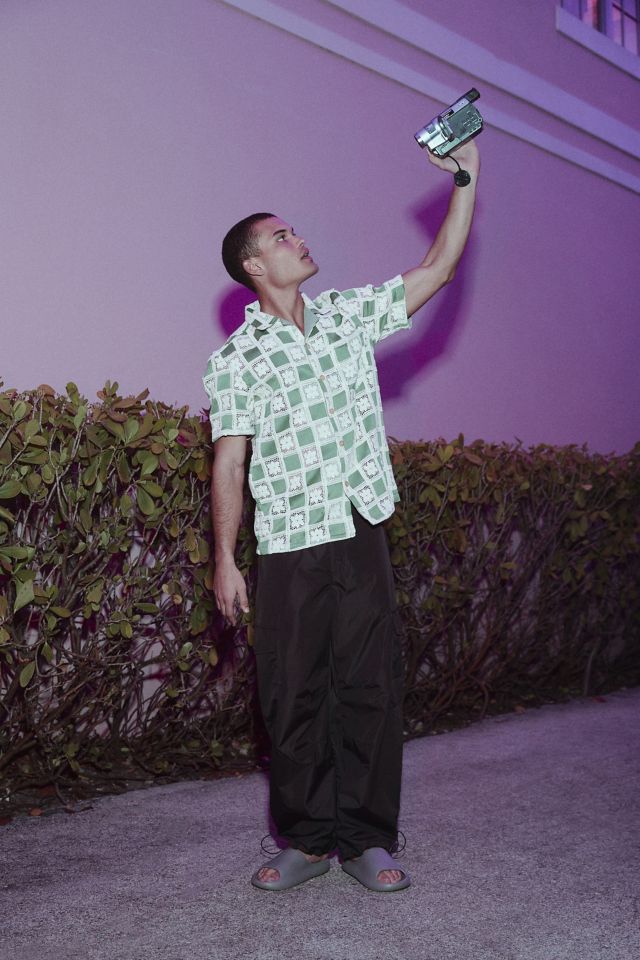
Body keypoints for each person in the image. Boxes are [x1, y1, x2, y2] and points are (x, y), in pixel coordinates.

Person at [202, 140, 480, 892]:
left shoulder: (347, 316)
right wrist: (224, 559)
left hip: (358, 525)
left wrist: (465, 178)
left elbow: (438, 268)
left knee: (368, 685)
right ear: (254, 265)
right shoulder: (236, 360)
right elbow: (229, 463)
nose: (299, 239)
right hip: (288, 540)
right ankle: (305, 840)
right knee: (291, 691)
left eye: (295, 230)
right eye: (281, 236)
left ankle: (365, 840)